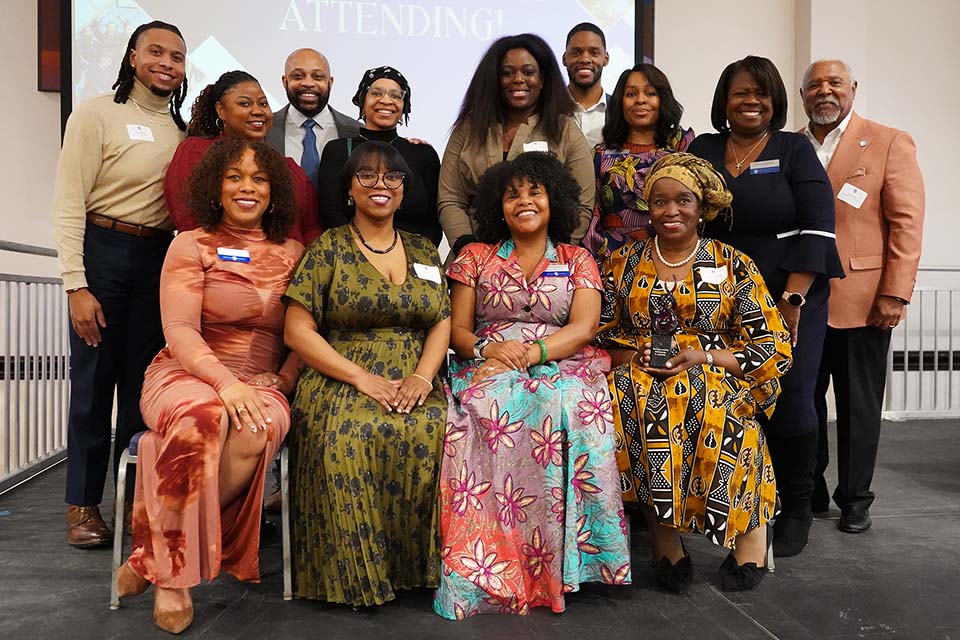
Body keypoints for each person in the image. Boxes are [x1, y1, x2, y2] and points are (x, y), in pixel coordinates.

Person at [113, 138, 305, 634]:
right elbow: (178, 330)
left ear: (274, 191)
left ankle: (151, 552)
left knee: (256, 427)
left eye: (259, 179)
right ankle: (173, 578)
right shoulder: (190, 242)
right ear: (216, 186)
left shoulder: (295, 252)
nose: (247, 187)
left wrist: (282, 379)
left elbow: (306, 333)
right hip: (187, 369)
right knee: (204, 416)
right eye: (235, 176)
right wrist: (224, 384)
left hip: (261, 379)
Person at [434, 152, 630, 619]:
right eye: (512, 193)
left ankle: (569, 564)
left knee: (575, 407)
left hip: (563, 359)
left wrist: (534, 353)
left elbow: (583, 327)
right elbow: (458, 330)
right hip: (490, 361)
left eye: (534, 192)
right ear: (497, 207)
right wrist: (486, 352)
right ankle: (500, 564)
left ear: (553, 201)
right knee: (490, 405)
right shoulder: (474, 257)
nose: (524, 201)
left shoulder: (577, 258)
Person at [597, 153, 793, 592]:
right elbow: (599, 335)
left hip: (716, 370)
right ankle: (665, 538)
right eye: (660, 202)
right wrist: (636, 359)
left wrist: (700, 358)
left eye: (683, 200)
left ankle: (750, 535)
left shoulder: (733, 263)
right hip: (641, 368)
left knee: (708, 401)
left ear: (702, 206)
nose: (671, 211)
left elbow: (773, 344)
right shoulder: (622, 263)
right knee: (635, 401)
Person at [688, 56, 844, 558]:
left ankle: (798, 505)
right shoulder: (704, 149)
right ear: (723, 101)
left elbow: (820, 224)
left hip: (789, 296)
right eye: (739, 93)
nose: (750, 101)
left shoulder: (794, 149)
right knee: (733, 397)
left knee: (793, 398)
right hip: (720, 298)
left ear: (775, 98)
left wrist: (794, 298)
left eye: (760, 92)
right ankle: (753, 502)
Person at [284, 141, 450, 606]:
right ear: (349, 191)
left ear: (403, 193)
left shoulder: (422, 249)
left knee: (436, 427)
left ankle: (419, 570)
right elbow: (298, 331)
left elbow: (441, 320)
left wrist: (421, 377)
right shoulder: (328, 248)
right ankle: (354, 576)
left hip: (414, 372)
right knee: (354, 432)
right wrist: (361, 379)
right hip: (341, 374)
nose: (381, 185)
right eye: (368, 177)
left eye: (392, 178)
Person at [52, 20, 188, 549]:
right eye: (156, 52)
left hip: (157, 259)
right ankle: (82, 506)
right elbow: (68, 203)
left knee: (141, 391)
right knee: (92, 389)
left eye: (176, 57)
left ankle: (132, 504)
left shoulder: (181, 133)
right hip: (102, 250)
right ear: (133, 57)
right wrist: (75, 284)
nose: (166, 63)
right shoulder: (94, 114)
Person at [800, 60, 925, 533]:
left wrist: (895, 292)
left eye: (834, 83)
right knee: (803, 402)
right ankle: (808, 491)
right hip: (803, 300)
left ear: (853, 88)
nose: (825, 92)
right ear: (803, 93)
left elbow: (906, 223)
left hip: (866, 299)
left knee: (858, 407)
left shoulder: (890, 141)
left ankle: (855, 499)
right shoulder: (792, 144)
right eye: (815, 85)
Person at [439, 33, 595, 257]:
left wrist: (547, 252)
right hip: (472, 256)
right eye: (507, 73)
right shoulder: (468, 128)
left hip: (546, 262)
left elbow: (582, 205)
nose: (518, 79)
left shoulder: (566, 130)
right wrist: (468, 248)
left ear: (542, 79)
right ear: (494, 79)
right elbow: (450, 198)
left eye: (528, 72)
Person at [163, 70, 321, 245]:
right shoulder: (197, 152)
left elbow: (311, 226)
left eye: (263, 104)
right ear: (221, 110)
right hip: (219, 265)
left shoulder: (287, 167)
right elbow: (188, 217)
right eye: (245, 104)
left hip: (288, 267)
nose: (258, 111)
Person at [316, 66, 441, 245]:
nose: (386, 100)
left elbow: (433, 220)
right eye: (376, 93)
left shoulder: (422, 153)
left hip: (413, 258)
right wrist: (364, 254)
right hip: (351, 256)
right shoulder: (338, 150)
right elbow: (331, 211)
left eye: (396, 95)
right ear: (362, 100)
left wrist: (419, 257)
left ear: (404, 105)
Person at [581, 63, 696, 258]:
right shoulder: (600, 154)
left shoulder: (683, 147)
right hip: (614, 259)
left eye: (650, 93)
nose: (640, 100)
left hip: (674, 255)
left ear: (662, 99)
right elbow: (592, 216)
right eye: (631, 94)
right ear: (620, 102)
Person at [265, 48, 360, 187]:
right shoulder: (263, 130)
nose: (308, 83)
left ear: (330, 82)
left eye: (318, 77)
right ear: (285, 81)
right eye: (298, 76)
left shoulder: (357, 132)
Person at [561, 22, 610, 148]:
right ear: (564, 59)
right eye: (576, 53)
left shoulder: (620, 110)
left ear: (606, 58)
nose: (585, 59)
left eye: (594, 53)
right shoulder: (547, 108)